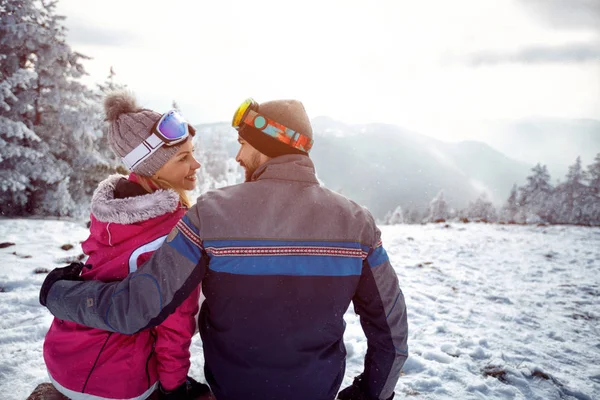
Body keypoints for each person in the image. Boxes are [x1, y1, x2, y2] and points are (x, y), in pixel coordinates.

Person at [40, 97, 409, 400]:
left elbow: (139, 307)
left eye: (244, 145)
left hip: (233, 389)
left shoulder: (211, 214)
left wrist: (57, 291)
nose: (237, 157)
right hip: (315, 390)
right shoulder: (358, 223)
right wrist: (369, 395)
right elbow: (391, 329)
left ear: (265, 146)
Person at [42, 91, 211, 400]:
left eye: (192, 152)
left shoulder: (112, 208)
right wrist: (174, 388)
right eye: (183, 158)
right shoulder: (173, 231)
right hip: (115, 381)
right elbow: (174, 324)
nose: (196, 164)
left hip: (63, 360)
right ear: (152, 168)